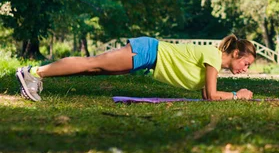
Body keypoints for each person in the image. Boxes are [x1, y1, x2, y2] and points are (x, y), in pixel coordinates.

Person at [16, 34, 255, 102]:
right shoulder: (213, 57)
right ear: (235, 53)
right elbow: (212, 96)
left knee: (93, 69)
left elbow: (206, 95)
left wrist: (232, 96)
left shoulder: (212, 62)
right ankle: (33, 73)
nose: (245, 69)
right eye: (246, 63)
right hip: (147, 51)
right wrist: (237, 95)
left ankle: (36, 74)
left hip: (147, 57)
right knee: (92, 63)